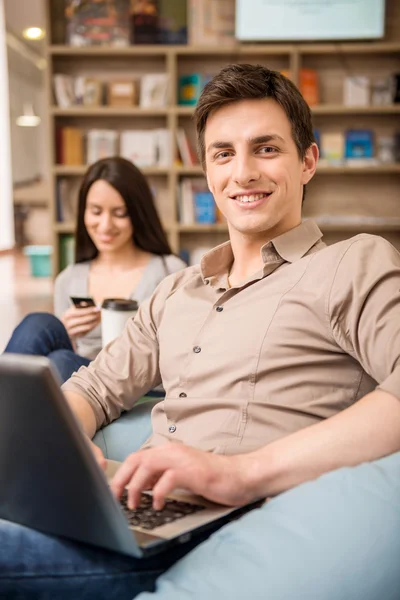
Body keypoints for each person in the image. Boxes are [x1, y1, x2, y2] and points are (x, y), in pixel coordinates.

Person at [1, 64, 399, 599]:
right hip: (141, 508)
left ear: (307, 161)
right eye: (223, 154)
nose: (243, 173)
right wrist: (70, 448)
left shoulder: (354, 262)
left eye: (266, 149)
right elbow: (93, 387)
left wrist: (239, 474)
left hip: (225, 520)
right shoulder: (176, 290)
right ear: (207, 172)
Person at [4, 156, 186, 382]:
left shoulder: (169, 271)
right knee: (40, 325)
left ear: (138, 214)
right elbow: (70, 353)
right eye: (96, 211)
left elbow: (184, 352)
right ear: (83, 213)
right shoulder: (69, 278)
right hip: (83, 380)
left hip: (138, 382)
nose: (105, 225)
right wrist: (66, 332)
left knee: (60, 361)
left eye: (120, 213)